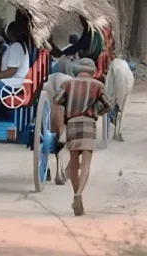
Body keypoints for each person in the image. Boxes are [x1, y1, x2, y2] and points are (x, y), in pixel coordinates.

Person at [54, 58, 113, 216]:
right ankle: (79, 194)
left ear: (76, 70)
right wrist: (97, 114)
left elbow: (57, 100)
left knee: (74, 164)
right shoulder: (98, 86)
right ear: (92, 71)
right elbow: (109, 105)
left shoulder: (67, 84)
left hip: (72, 124)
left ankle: (75, 195)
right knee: (86, 164)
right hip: (88, 125)